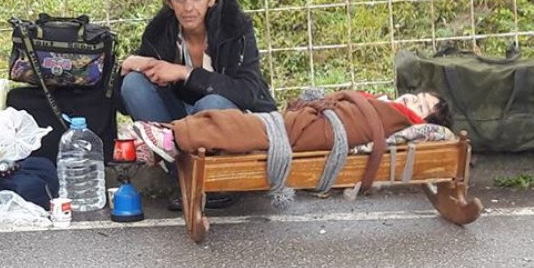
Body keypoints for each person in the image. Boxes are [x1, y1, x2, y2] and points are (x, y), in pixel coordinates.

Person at [119, 0, 276, 210]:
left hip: (234, 121)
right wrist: (132, 63)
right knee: (133, 84)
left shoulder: (234, 28)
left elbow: (249, 93)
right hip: (183, 122)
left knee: (210, 105)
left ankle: (221, 183)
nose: (188, 7)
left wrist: (185, 73)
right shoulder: (161, 30)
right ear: (169, 1)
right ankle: (185, 180)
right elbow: (126, 101)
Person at [133, 90, 452, 163]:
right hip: (323, 121)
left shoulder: (399, 118)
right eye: (418, 96)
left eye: (421, 106)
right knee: (252, 125)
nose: (412, 100)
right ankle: (172, 139)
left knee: (248, 128)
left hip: (325, 129)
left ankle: (174, 137)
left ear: (422, 120)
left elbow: (357, 121)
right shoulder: (389, 108)